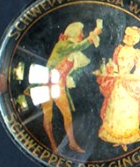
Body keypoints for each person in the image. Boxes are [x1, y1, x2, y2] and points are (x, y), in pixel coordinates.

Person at [42, 20, 102, 153]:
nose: (82, 35)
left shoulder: (74, 53)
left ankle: (72, 143)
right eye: (81, 33)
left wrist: (94, 71)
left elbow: (78, 67)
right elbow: (80, 46)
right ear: (75, 33)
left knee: (67, 115)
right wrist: (94, 34)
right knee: (48, 116)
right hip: (46, 84)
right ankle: (52, 145)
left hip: (59, 86)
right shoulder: (64, 44)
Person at [96, 26, 140, 150]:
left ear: (133, 39)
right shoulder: (119, 49)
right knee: (115, 109)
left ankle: (125, 140)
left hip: (127, 85)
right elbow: (114, 65)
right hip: (117, 83)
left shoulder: (136, 53)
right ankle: (116, 137)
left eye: (128, 36)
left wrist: (126, 76)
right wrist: (110, 71)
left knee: (126, 111)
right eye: (125, 34)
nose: (125, 37)